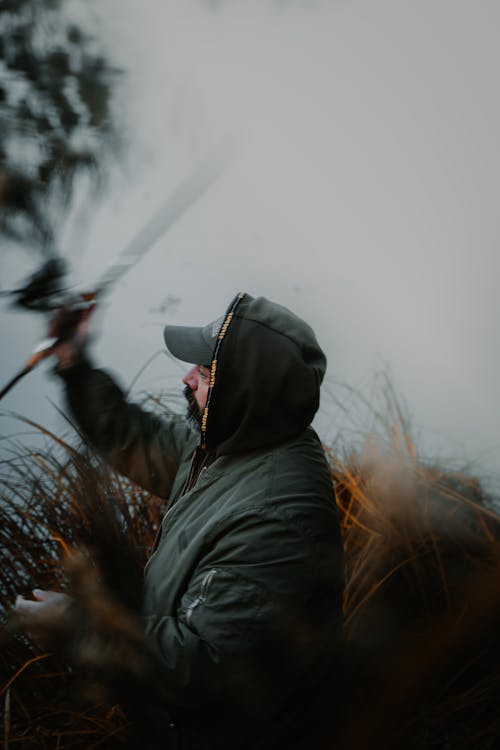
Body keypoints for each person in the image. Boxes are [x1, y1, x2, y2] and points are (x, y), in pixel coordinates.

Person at [16, 292, 345, 750]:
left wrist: (79, 625)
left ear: (244, 393)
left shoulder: (276, 519)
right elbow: (133, 437)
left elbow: (205, 665)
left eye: (205, 373)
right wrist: (74, 363)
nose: (187, 378)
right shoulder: (234, 439)